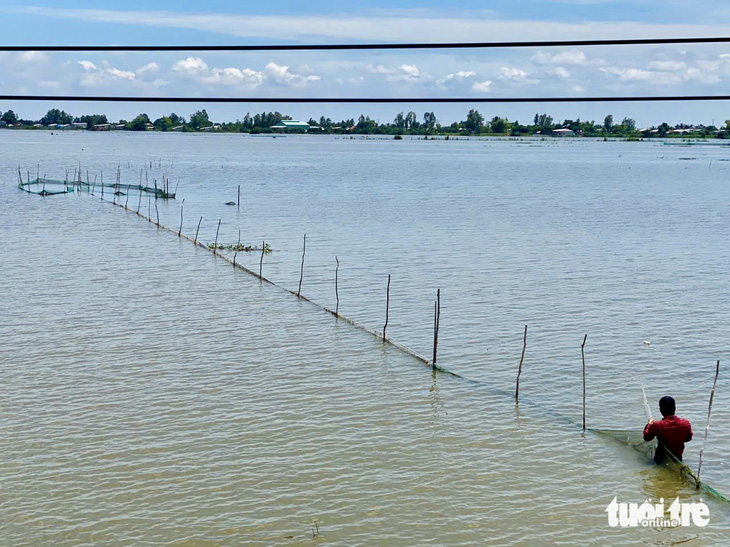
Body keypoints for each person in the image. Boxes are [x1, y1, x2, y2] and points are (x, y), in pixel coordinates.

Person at [643, 396, 693, 463]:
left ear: (661, 410)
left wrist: (649, 424)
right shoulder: (685, 423)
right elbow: (688, 438)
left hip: (661, 458)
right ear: (675, 408)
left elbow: (646, 437)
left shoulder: (657, 425)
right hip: (678, 458)